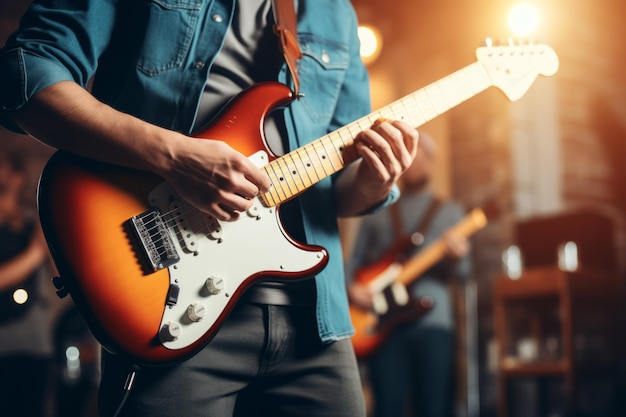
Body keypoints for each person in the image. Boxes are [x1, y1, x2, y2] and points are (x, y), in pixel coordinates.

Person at [0, 1, 420, 416]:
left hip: (315, 322)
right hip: (169, 307)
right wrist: (172, 157)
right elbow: (24, 76)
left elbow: (338, 192)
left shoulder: (335, 11)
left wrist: (374, 179)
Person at [346, 132, 471, 417]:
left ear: (432, 162)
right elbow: (353, 260)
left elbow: (464, 273)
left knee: (434, 407)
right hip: (381, 326)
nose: (413, 163)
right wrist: (352, 287)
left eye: (419, 156)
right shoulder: (376, 209)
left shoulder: (452, 212)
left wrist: (458, 257)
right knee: (386, 407)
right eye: (408, 157)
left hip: (434, 323)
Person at [0, 150, 55, 417]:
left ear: (19, 176)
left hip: (34, 344)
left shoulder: (34, 222)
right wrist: (34, 254)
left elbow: (58, 274)